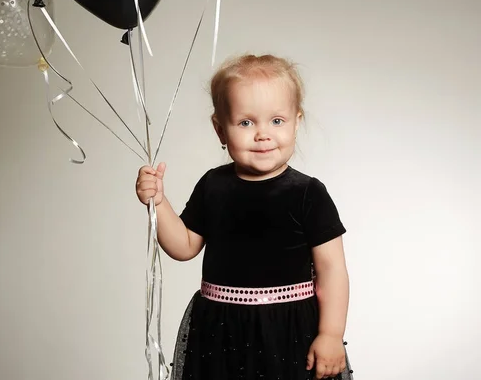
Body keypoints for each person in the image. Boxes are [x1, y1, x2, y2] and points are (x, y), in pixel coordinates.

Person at [135, 54, 353, 380]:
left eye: (277, 121)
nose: (263, 134)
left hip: (289, 331)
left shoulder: (308, 193)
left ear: (297, 121)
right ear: (220, 129)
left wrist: (331, 334)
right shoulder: (213, 185)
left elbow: (331, 269)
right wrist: (158, 203)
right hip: (220, 330)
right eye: (246, 122)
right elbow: (183, 245)